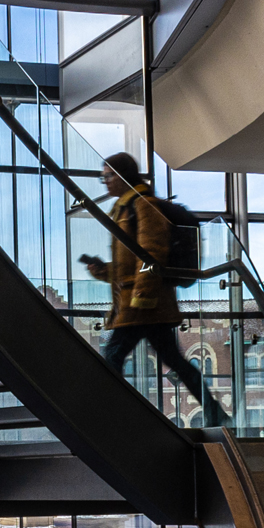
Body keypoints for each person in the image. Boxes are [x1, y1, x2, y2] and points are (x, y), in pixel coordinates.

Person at [78, 152, 228, 427]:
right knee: (174, 361)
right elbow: (132, 263)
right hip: (146, 304)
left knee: (111, 357)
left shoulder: (143, 205)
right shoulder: (127, 208)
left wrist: (141, 297)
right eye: (103, 176)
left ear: (123, 175)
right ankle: (215, 412)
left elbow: (152, 253)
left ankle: (119, 419)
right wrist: (104, 271)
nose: (105, 182)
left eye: (108, 175)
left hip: (143, 305)